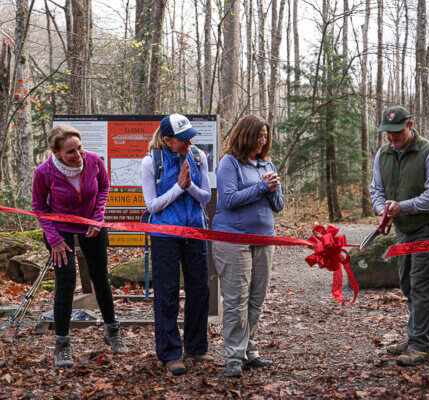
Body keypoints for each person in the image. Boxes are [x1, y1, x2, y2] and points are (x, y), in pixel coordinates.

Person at [32, 125, 128, 368]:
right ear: (55, 152)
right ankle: (62, 344)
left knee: (100, 277)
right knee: (65, 282)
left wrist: (97, 216)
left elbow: (104, 187)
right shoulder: (44, 172)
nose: (78, 155)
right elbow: (39, 207)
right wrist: (53, 239)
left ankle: (112, 331)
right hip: (59, 229)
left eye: (79, 148)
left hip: (91, 226)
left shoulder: (94, 161)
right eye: (70, 152)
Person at [370, 105, 429, 367]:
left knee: (422, 284)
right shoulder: (383, 154)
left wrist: (403, 206)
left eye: (397, 132)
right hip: (404, 229)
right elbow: (377, 190)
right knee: (406, 283)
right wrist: (383, 211)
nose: (392, 137)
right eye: (387, 133)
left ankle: (420, 346)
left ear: (410, 126)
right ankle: (415, 335)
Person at [212, 115, 284, 378]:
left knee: (257, 298)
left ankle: (249, 351)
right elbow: (229, 199)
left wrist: (273, 189)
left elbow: (278, 205)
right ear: (245, 136)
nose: (262, 141)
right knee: (235, 300)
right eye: (258, 136)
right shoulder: (228, 163)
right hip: (233, 240)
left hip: (265, 239)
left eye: (265, 136)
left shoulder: (267, 163)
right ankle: (233, 356)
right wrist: (261, 187)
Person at [140, 114, 212, 375]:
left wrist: (189, 185)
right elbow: (152, 206)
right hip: (164, 236)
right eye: (182, 139)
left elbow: (205, 197)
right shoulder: (150, 163)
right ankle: (170, 353)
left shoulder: (197, 157)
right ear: (168, 140)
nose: (188, 141)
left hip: (195, 232)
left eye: (190, 136)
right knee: (167, 294)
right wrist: (178, 188)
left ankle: (196, 346)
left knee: (199, 290)